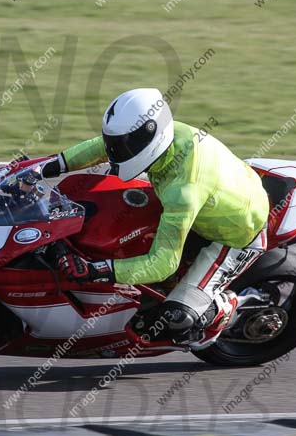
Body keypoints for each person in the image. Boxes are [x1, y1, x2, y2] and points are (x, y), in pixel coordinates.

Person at [40, 88, 270, 343]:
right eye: (115, 142)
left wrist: (97, 271)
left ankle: (226, 309)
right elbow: (103, 148)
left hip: (236, 235)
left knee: (178, 318)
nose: (115, 151)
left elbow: (163, 264)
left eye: (123, 145)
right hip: (219, 195)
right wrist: (47, 166)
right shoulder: (170, 133)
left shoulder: (182, 192)